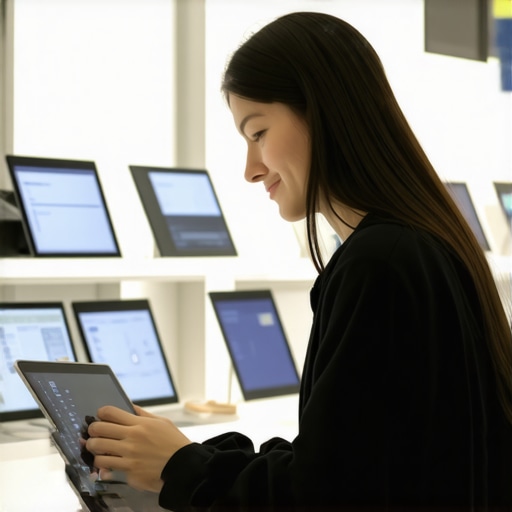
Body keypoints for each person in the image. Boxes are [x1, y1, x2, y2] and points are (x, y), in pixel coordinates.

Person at [85, 12, 512, 511]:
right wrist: (182, 454)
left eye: (258, 132)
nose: (250, 169)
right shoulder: (423, 245)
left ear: (322, 112)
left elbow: (324, 496)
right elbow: (355, 462)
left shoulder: (380, 263)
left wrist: (181, 467)